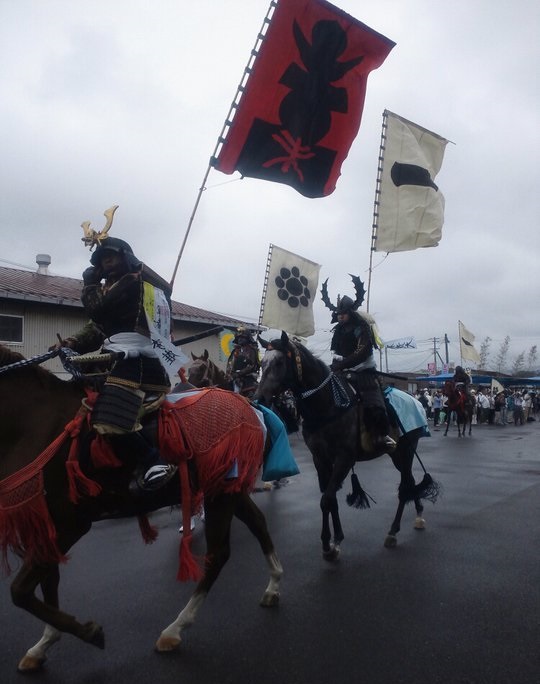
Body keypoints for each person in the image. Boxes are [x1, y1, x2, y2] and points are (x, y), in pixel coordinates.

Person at [54, 235, 177, 493]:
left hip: (139, 365)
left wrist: (89, 284)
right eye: (101, 258)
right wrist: (71, 343)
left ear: (126, 257)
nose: (106, 261)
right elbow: (97, 328)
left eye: (111, 255)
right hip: (114, 358)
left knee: (108, 419)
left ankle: (154, 461)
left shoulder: (133, 284)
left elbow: (97, 310)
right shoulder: (110, 289)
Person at [328, 294, 396, 451]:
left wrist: (342, 363)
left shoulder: (361, 327)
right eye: (339, 313)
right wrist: (334, 365)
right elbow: (336, 352)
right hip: (342, 371)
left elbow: (362, 352)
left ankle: (382, 435)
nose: (340, 316)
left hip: (364, 370)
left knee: (374, 403)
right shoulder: (338, 331)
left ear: (350, 312)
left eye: (343, 313)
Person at [226, 327, 260, 397]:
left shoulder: (252, 350)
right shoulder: (235, 351)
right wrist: (229, 374)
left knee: (241, 396)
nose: (240, 339)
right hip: (233, 377)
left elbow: (251, 365)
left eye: (242, 337)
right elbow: (229, 364)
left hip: (247, 378)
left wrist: (239, 374)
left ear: (248, 338)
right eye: (238, 337)